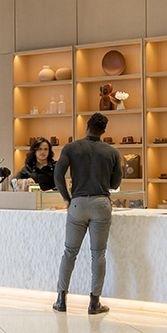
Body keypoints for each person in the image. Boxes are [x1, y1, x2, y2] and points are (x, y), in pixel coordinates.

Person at [52, 112, 122, 315]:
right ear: (104, 131)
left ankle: (61, 299)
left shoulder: (72, 148)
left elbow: (58, 175)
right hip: (101, 203)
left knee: (69, 252)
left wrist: (67, 198)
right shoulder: (112, 152)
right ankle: (94, 302)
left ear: (87, 127)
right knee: (97, 254)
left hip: (78, 203)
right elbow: (115, 184)